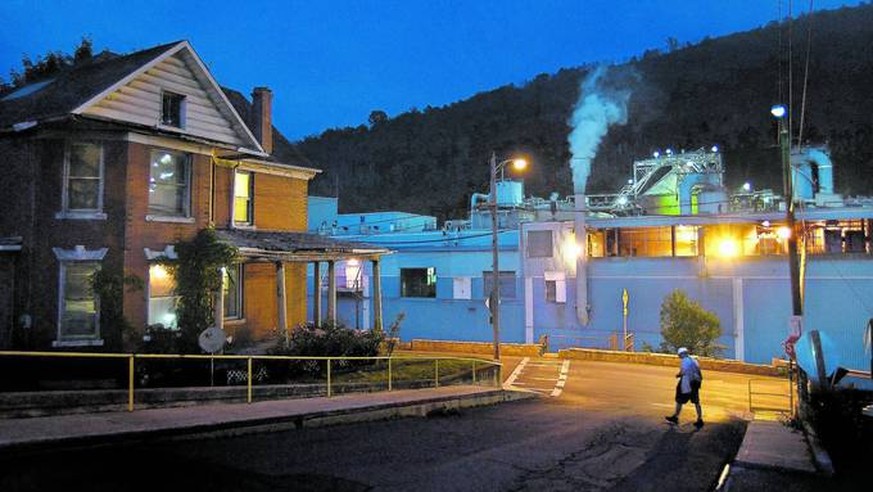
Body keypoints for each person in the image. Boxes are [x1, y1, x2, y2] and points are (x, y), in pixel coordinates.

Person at [665, 347, 704, 428]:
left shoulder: (685, 361)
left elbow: (683, 371)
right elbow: (699, 372)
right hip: (695, 383)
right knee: (696, 402)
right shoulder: (694, 360)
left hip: (687, 383)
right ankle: (700, 419)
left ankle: (675, 417)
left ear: (682, 354)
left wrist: (678, 375)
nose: (679, 356)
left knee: (679, 400)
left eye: (679, 355)